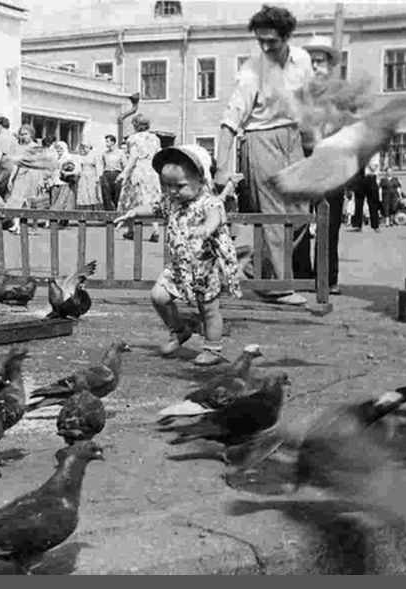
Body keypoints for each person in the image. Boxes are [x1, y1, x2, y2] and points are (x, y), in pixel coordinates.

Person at [214, 4, 313, 306]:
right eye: (261, 41)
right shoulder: (251, 71)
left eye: (272, 40)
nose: (266, 46)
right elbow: (230, 121)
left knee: (299, 214)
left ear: (287, 37)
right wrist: (221, 168)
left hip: (294, 138)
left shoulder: (302, 60)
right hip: (261, 140)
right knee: (274, 216)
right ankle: (276, 287)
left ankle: (253, 265)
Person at [115, 145, 240, 366]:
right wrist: (134, 213)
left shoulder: (209, 202)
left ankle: (213, 348)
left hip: (205, 267)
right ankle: (180, 329)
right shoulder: (171, 201)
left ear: (201, 180)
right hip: (179, 267)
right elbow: (154, 207)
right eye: (167, 185)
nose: (172, 191)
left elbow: (214, 216)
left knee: (209, 310)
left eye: (179, 186)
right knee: (158, 297)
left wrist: (207, 228)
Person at [300, 34, 349, 296]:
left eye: (321, 61)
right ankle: (300, 275)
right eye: (312, 61)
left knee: (328, 223)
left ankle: (327, 278)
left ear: (330, 65)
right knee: (298, 219)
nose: (317, 66)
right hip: (304, 161)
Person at [117, 113, 162, 243]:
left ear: (136, 125)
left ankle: (130, 230)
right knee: (152, 200)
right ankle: (155, 231)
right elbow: (158, 155)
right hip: (152, 171)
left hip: (139, 170)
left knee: (132, 199)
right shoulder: (155, 138)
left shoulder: (133, 138)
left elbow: (133, 157)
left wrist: (125, 172)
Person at [4, 125, 58, 234]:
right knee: (17, 199)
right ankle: (16, 225)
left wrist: (43, 179)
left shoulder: (37, 147)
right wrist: (11, 178)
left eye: (26, 134)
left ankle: (34, 226)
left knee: (33, 201)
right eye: (22, 134)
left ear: (31, 135)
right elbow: (16, 164)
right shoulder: (19, 147)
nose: (23, 136)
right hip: (21, 175)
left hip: (33, 175)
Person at [50, 141, 81, 221]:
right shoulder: (56, 158)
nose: (58, 150)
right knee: (54, 200)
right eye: (57, 148)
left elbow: (77, 169)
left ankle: (61, 219)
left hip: (65, 182)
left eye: (60, 148)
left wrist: (67, 173)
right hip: (55, 182)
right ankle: (55, 218)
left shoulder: (69, 158)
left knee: (63, 201)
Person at [351, 157, 382, 232]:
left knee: (373, 203)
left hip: (370, 178)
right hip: (360, 178)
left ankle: (375, 225)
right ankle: (357, 225)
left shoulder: (374, 155)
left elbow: (373, 168)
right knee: (358, 202)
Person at [98, 134, 125, 211]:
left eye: (107, 141)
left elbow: (125, 165)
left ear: (113, 142)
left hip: (117, 174)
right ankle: (108, 214)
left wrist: (123, 176)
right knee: (106, 194)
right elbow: (102, 165)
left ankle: (117, 212)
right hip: (107, 174)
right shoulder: (104, 154)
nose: (106, 143)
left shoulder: (120, 153)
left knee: (117, 194)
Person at [76, 141, 102, 211]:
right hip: (83, 176)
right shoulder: (81, 157)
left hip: (92, 176)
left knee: (92, 193)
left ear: (90, 148)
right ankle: (85, 211)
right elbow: (79, 167)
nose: (84, 149)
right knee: (84, 194)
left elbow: (98, 167)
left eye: (86, 147)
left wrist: (98, 177)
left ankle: (95, 211)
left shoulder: (94, 156)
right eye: (83, 147)